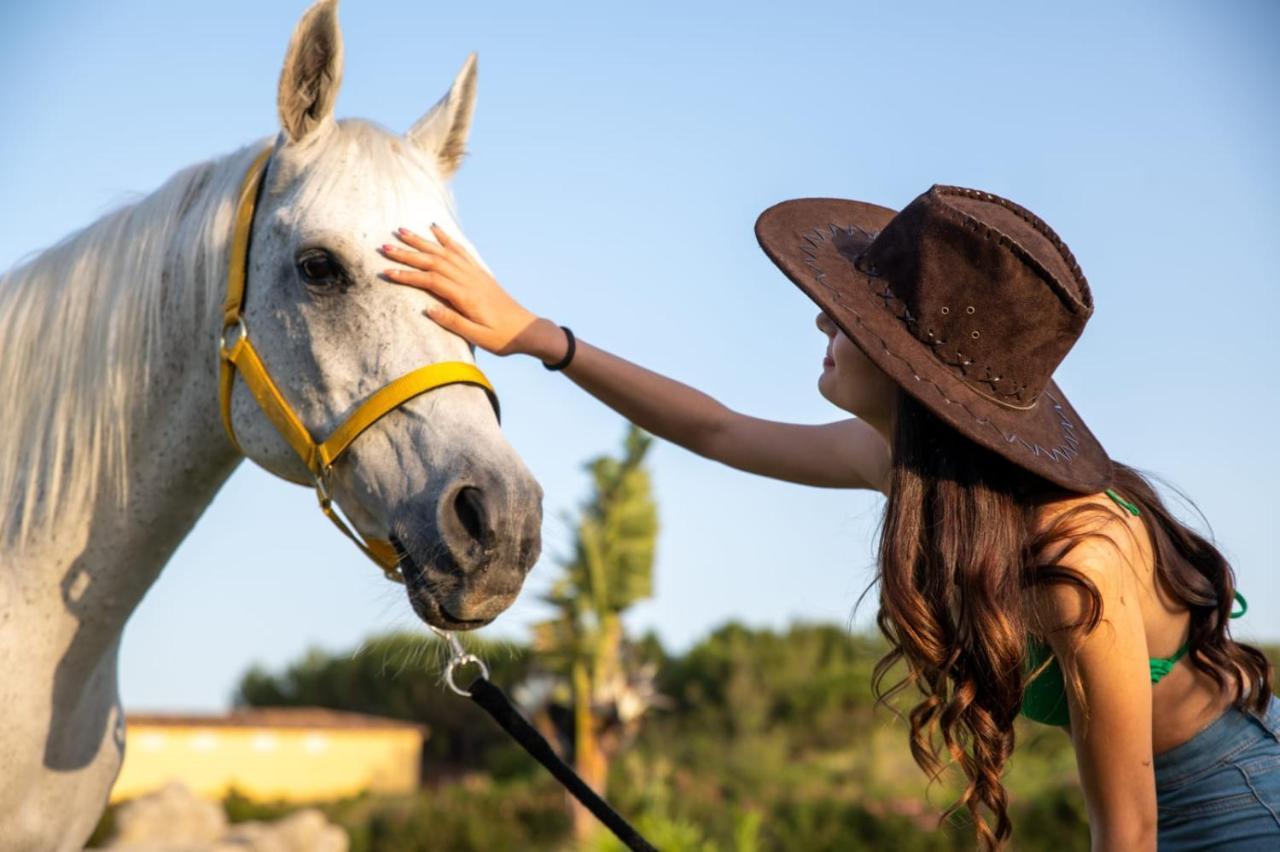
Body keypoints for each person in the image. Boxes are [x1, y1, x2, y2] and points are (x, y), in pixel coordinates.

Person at [379, 184, 1277, 850]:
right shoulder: (906, 467)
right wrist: (539, 336)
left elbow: (1126, 825)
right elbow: (717, 428)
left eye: (852, 319)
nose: (820, 322)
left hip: (1231, 805)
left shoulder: (1080, 557)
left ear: (915, 374)